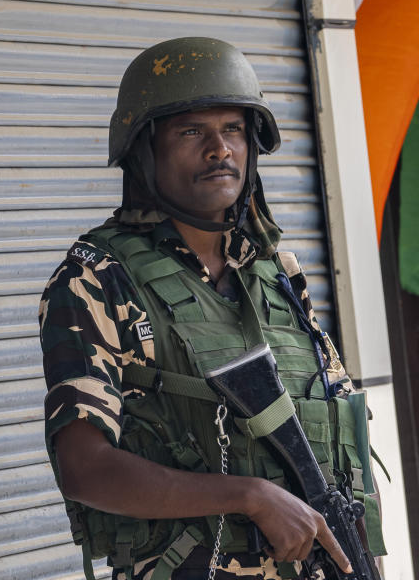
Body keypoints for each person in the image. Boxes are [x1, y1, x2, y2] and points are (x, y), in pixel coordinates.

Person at [39, 37, 385, 580]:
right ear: (144, 151)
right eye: (191, 131)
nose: (220, 150)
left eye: (234, 130)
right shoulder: (98, 279)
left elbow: (337, 437)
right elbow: (84, 469)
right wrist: (250, 496)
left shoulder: (280, 273)